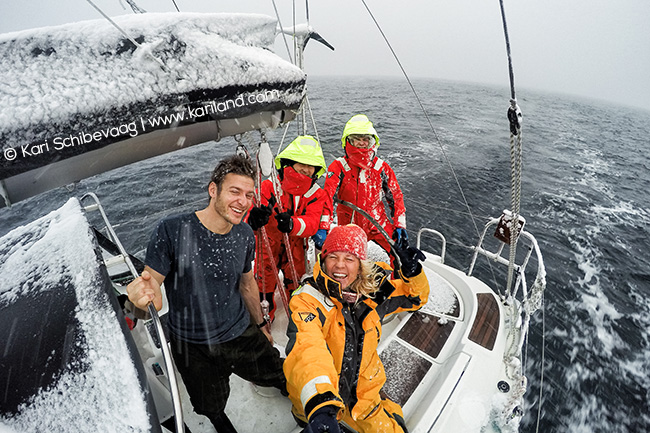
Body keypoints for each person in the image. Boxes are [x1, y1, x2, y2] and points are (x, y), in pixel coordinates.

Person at [126, 155, 286, 433]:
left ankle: (295, 395)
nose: (243, 201)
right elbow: (150, 295)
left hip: (240, 331)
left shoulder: (245, 233)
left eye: (249, 195)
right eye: (234, 191)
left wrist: (261, 325)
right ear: (213, 190)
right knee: (208, 403)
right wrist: (138, 301)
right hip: (192, 345)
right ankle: (218, 420)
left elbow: (247, 284)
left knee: (278, 372)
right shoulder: (172, 231)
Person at [283, 224, 429, 433]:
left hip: (363, 400)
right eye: (333, 256)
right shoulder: (307, 300)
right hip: (321, 405)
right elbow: (307, 350)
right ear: (323, 260)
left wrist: (412, 272)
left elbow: (415, 298)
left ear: (361, 266)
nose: (339, 266)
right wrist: (322, 406)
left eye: (349, 259)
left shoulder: (372, 295)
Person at [247, 135, 330, 321]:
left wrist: (292, 224)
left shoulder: (317, 194)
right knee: (264, 288)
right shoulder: (268, 187)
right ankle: (265, 321)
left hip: (297, 249)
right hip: (267, 247)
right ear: (289, 161)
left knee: (297, 283)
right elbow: (247, 215)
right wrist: (252, 219)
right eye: (302, 162)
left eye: (311, 165)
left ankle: (298, 321)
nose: (306, 169)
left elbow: (312, 222)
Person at [323, 114, 408, 254]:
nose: (362, 143)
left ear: (372, 141)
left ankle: (397, 276)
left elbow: (396, 196)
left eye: (366, 139)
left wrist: (400, 224)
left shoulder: (382, 168)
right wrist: (323, 225)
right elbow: (327, 198)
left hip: (377, 222)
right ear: (348, 141)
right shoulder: (338, 167)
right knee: (348, 259)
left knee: (399, 253)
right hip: (348, 224)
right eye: (356, 139)